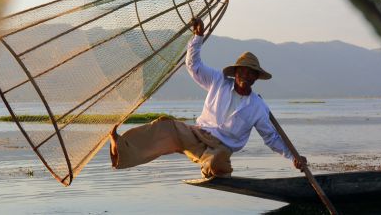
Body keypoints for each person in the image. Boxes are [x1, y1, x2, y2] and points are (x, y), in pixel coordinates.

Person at [109, 18, 306, 178]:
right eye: (242, 72)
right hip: (196, 135)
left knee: (218, 161)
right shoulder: (219, 81)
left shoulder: (257, 106)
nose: (245, 76)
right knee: (165, 125)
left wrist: (293, 157)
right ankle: (121, 148)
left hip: (221, 147)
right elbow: (193, 66)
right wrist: (197, 37)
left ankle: (209, 168)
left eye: (250, 74)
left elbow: (271, 137)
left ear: (255, 78)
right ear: (235, 74)